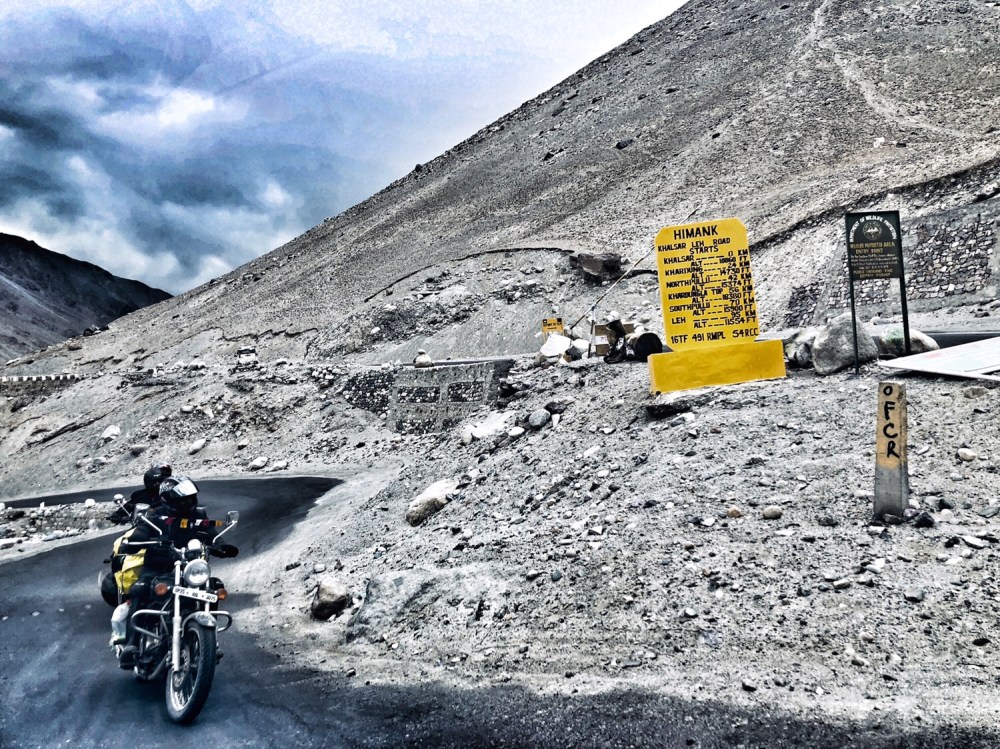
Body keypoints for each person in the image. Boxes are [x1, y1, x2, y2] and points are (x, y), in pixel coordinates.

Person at [112, 475, 213, 668]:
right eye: (183, 499)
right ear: (169, 500)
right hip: (157, 567)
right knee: (139, 590)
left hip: (187, 568)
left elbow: (210, 534)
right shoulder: (153, 515)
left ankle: (209, 641)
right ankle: (132, 645)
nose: (188, 502)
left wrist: (221, 545)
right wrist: (134, 542)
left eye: (191, 498)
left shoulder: (199, 514)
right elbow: (140, 532)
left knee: (214, 589)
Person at [107, 463, 172, 524]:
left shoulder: (169, 494)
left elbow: (178, 506)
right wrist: (118, 514)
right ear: (147, 482)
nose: (157, 484)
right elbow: (129, 505)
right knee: (129, 536)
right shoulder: (139, 495)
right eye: (154, 482)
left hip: (167, 525)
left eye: (159, 481)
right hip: (144, 526)